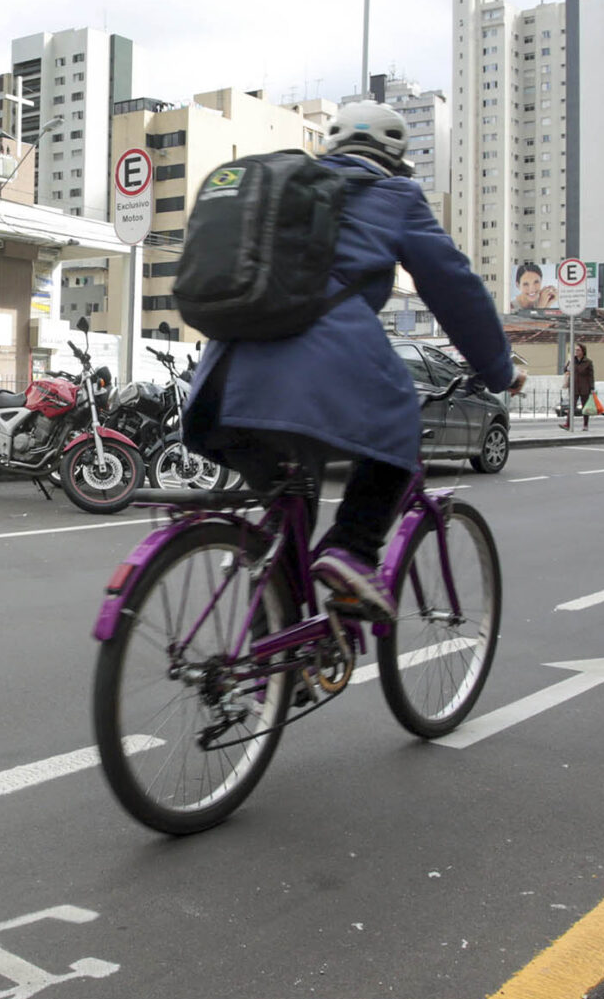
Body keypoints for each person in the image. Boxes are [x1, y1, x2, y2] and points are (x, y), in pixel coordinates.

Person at [185, 101, 524, 620]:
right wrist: (500, 370)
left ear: (334, 146)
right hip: (318, 376)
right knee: (402, 423)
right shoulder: (394, 194)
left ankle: (272, 676)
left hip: (225, 384)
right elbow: (455, 289)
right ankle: (354, 550)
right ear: (397, 156)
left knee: (283, 532)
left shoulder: (285, 190)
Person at [571, 344, 596, 419]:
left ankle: (585, 424)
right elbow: (566, 370)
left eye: (578, 350)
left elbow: (591, 376)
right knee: (572, 406)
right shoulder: (572, 361)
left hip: (584, 387)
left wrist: (591, 387)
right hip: (574, 387)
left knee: (585, 407)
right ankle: (568, 423)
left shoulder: (588, 362)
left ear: (583, 351)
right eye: (575, 350)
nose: (576, 352)